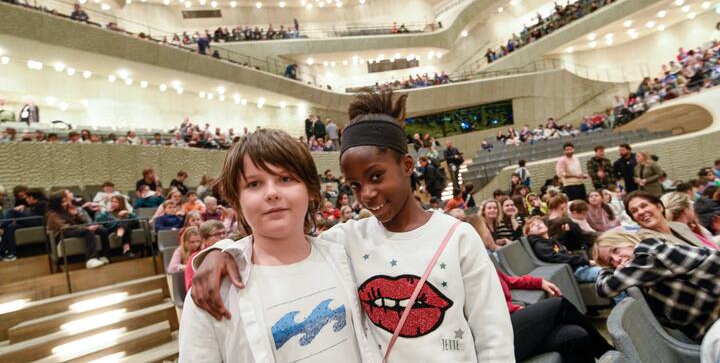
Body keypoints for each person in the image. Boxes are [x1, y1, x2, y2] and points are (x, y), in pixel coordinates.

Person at [189, 91, 514, 362]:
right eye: (355, 185)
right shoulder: (347, 241)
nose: (367, 193)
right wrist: (220, 253)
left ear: (407, 165)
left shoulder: (456, 237)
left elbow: (494, 336)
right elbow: (277, 243)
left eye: (376, 176)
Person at [178, 131, 378, 362]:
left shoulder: (343, 257)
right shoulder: (213, 290)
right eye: (254, 184)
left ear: (311, 190)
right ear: (237, 201)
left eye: (285, 179)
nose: (272, 193)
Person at [593, 230, 720, 343]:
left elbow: (605, 289)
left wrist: (606, 270)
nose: (616, 259)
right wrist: (610, 269)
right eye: (610, 261)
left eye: (615, 250)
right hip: (711, 324)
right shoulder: (641, 272)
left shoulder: (647, 251)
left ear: (626, 240)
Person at [498, 270, 612, 362]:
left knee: (575, 335)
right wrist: (515, 309)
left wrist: (538, 282)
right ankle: (607, 352)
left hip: (511, 328)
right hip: (496, 340)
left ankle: (608, 353)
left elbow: (508, 280)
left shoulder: (487, 265)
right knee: (559, 304)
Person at [45, 190, 110, 269]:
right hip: (63, 233)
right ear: (57, 204)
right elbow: (65, 228)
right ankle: (91, 259)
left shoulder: (67, 210)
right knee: (88, 231)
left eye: (65, 201)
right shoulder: (53, 215)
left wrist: (76, 215)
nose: (65, 203)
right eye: (63, 202)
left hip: (74, 230)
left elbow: (80, 223)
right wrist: (87, 228)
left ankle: (104, 255)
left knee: (102, 230)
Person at [525, 216, 601, 283]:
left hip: (577, 267)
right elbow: (557, 257)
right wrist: (586, 261)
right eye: (533, 225)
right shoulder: (539, 244)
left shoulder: (549, 240)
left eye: (539, 222)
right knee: (607, 274)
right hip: (573, 271)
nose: (538, 225)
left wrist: (565, 232)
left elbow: (560, 248)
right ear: (528, 233)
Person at [625, 191, 706, 248]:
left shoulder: (679, 226)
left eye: (644, 206)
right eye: (634, 211)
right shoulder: (646, 241)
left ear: (659, 207)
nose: (641, 212)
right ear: (634, 219)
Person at [0, 189, 46, 261]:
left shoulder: (42, 203)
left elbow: (36, 215)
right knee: (11, 227)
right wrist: (25, 207)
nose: (26, 200)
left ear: (31, 198)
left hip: (39, 221)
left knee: (12, 212)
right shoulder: (35, 204)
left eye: (27, 198)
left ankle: (1, 227)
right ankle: (9, 252)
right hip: (34, 221)